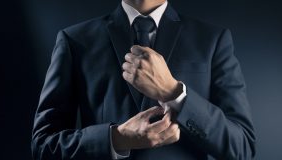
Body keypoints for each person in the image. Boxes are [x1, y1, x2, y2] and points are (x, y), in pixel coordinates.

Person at [31, 0, 256, 159]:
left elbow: (242, 147)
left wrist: (173, 92)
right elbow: (43, 146)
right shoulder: (74, 40)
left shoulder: (212, 40)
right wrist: (118, 139)